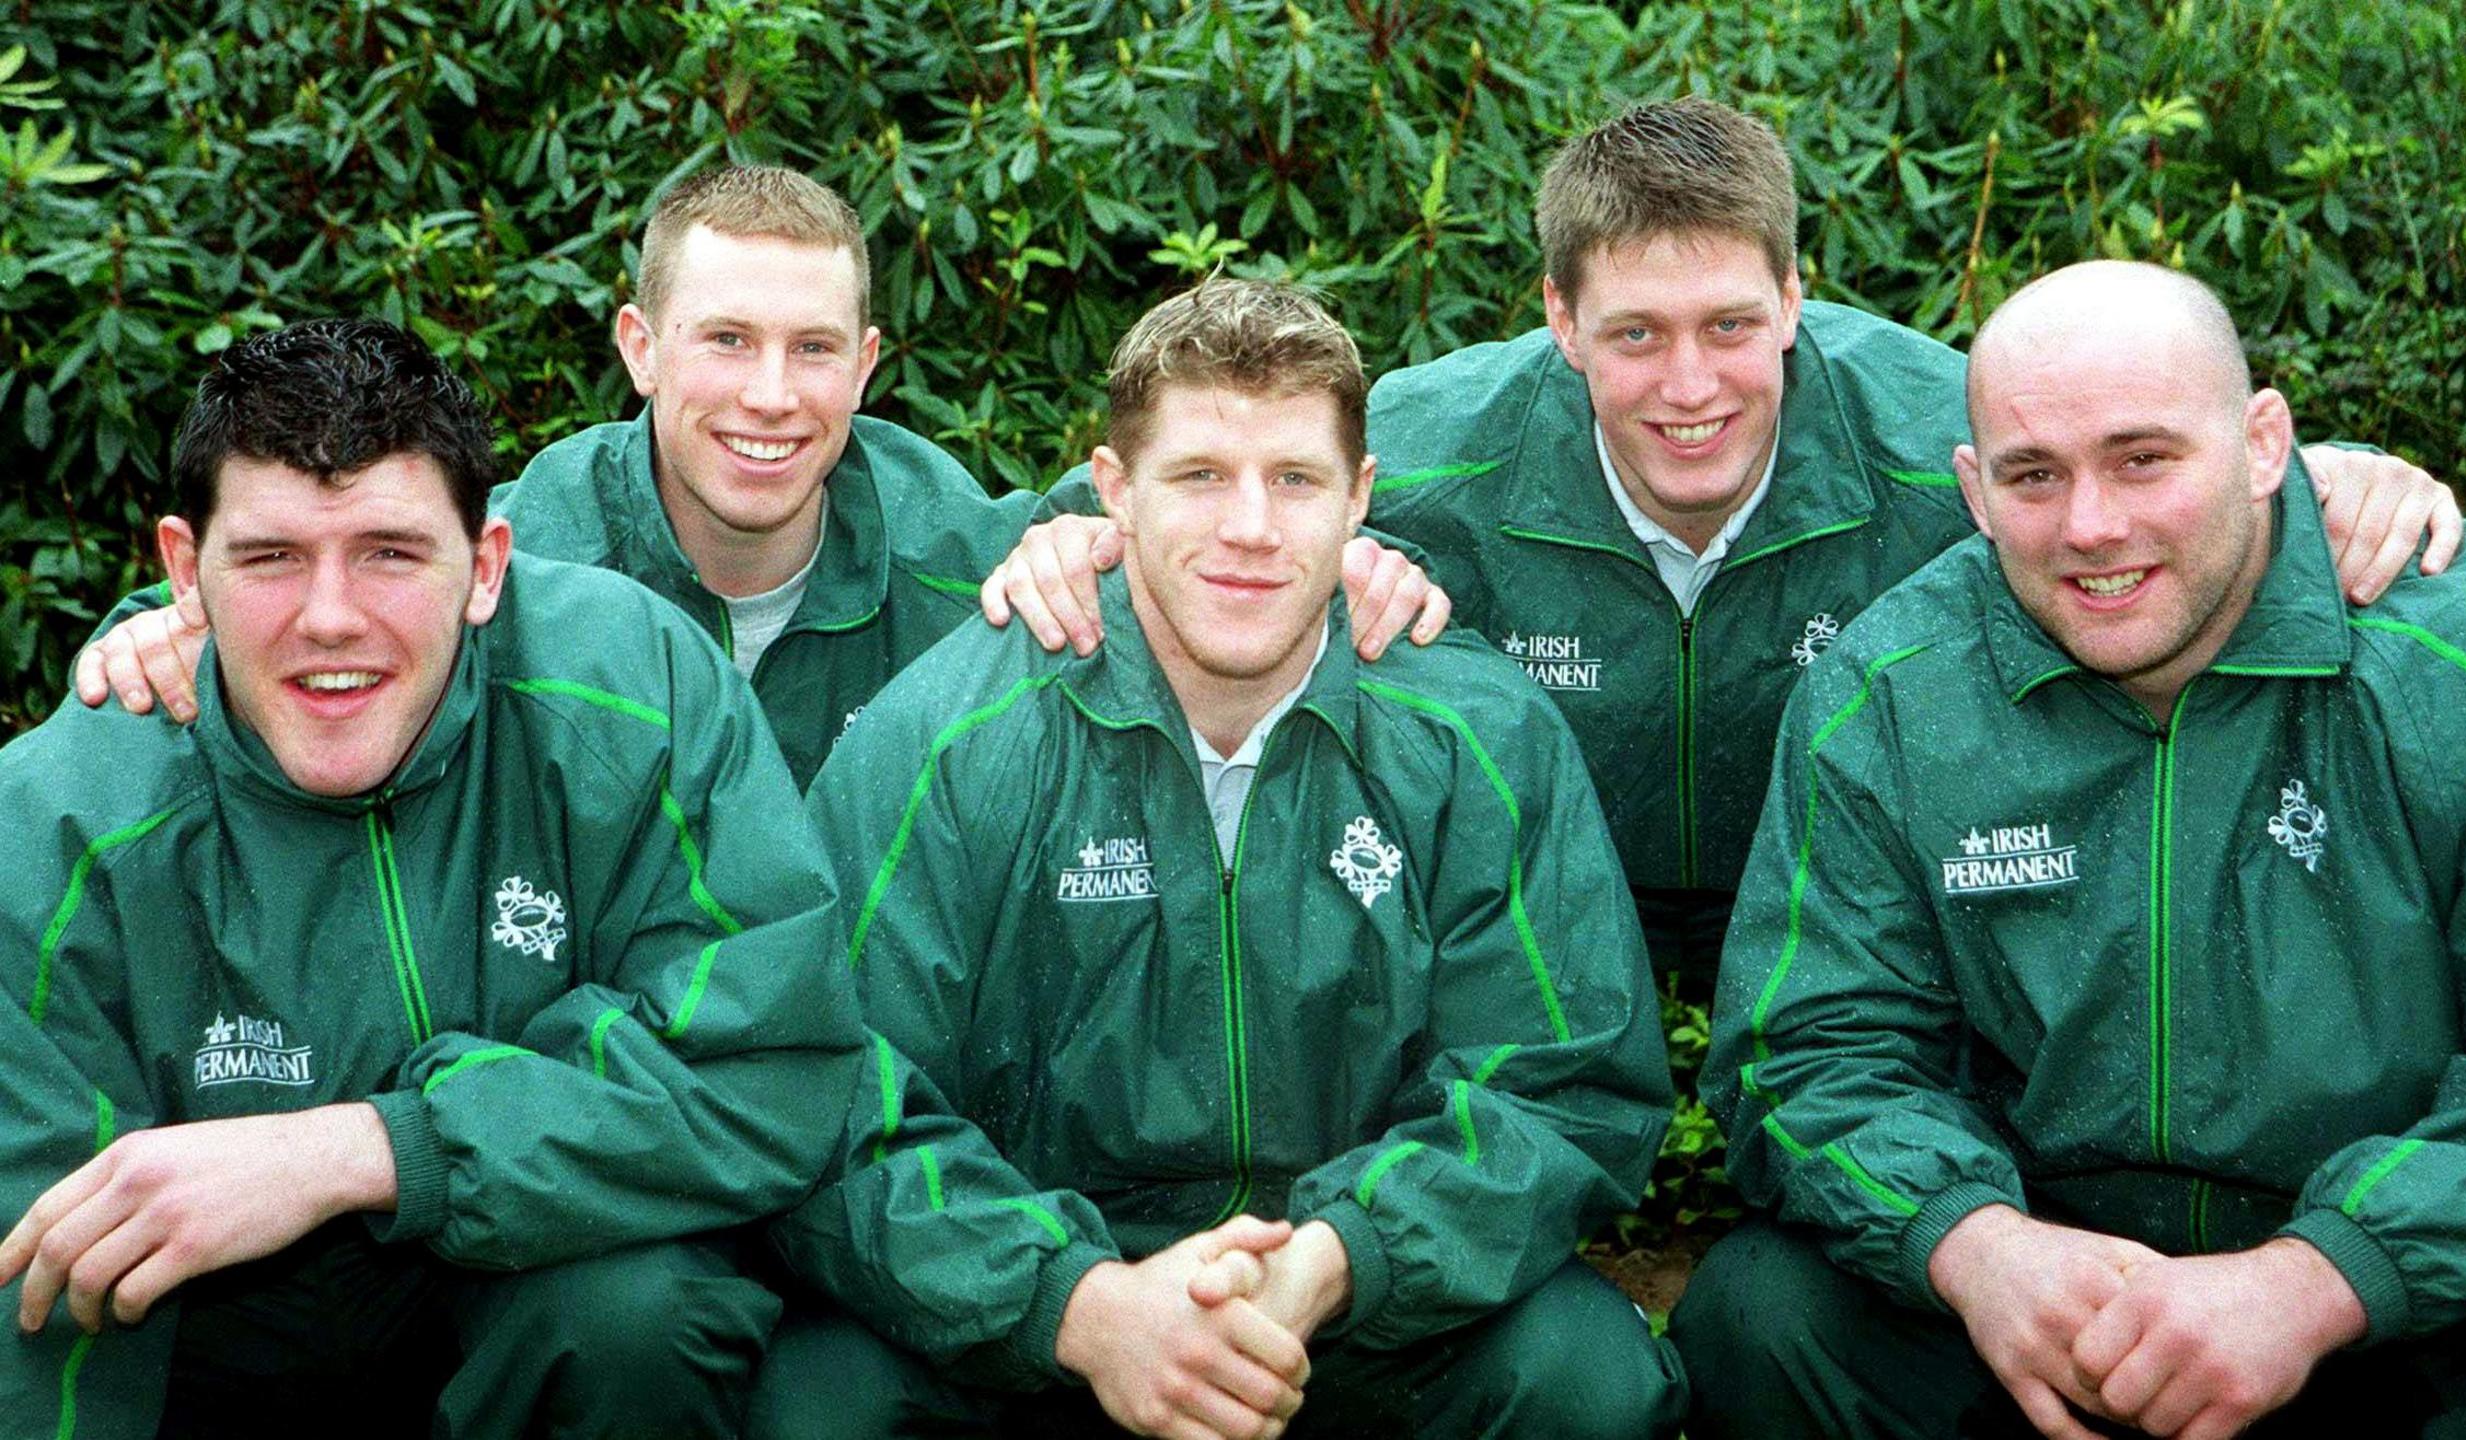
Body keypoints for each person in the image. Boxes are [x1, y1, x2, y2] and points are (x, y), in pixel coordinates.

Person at [991, 97, 2462, 978]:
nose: (1688, 386)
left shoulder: (1931, 431)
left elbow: (2130, 449)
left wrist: (2317, 471)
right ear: (1559, 320)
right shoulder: (1438, 441)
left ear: (1798, 297)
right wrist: (1068, 548)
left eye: (1731, 328)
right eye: (1633, 333)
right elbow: (1156, 485)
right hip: (1555, 926)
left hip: (1850, 919)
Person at [754, 279, 1682, 1440]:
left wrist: (1327, 1266)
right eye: (1198, 475)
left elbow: (1563, 1088)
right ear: (1112, 493)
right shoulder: (953, 737)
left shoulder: (1477, 735)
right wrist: (1089, 1309)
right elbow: (839, 1103)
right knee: (818, 1399)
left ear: (1360, 500)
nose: (1249, 525)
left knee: (1582, 1376)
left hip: (1356, 1308)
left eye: (1294, 479)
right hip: (1048, 1321)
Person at [1673, 261, 2466, 1440]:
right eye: (2033, 475)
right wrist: (1974, 1249)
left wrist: (2318, 1280)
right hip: (2046, 1300)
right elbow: (1810, 1052)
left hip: (2396, 1298)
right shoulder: (1887, 696)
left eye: (2143, 457)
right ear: (1974, 493)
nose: (2091, 525)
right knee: (1761, 1316)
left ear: (2261, 444)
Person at [0, 319, 860, 1437]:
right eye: (269, 558)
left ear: (486, 566)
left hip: (521, 1299)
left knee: (640, 1311)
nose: (330, 618)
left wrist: (372, 1147)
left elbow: (773, 1066)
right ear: (182, 571)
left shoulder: (633, 690)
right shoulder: (58, 822)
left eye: (391, 553)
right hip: (219, 1367)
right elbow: (34, 1304)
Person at [74, 167, 1444, 788]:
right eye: (726, 340)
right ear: (641, 347)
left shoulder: (956, 541)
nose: (772, 395)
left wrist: (1343, 565)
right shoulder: (530, 539)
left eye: (812, 348)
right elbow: (322, 589)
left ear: (868, 364)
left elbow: (1182, 537)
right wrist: (151, 635)